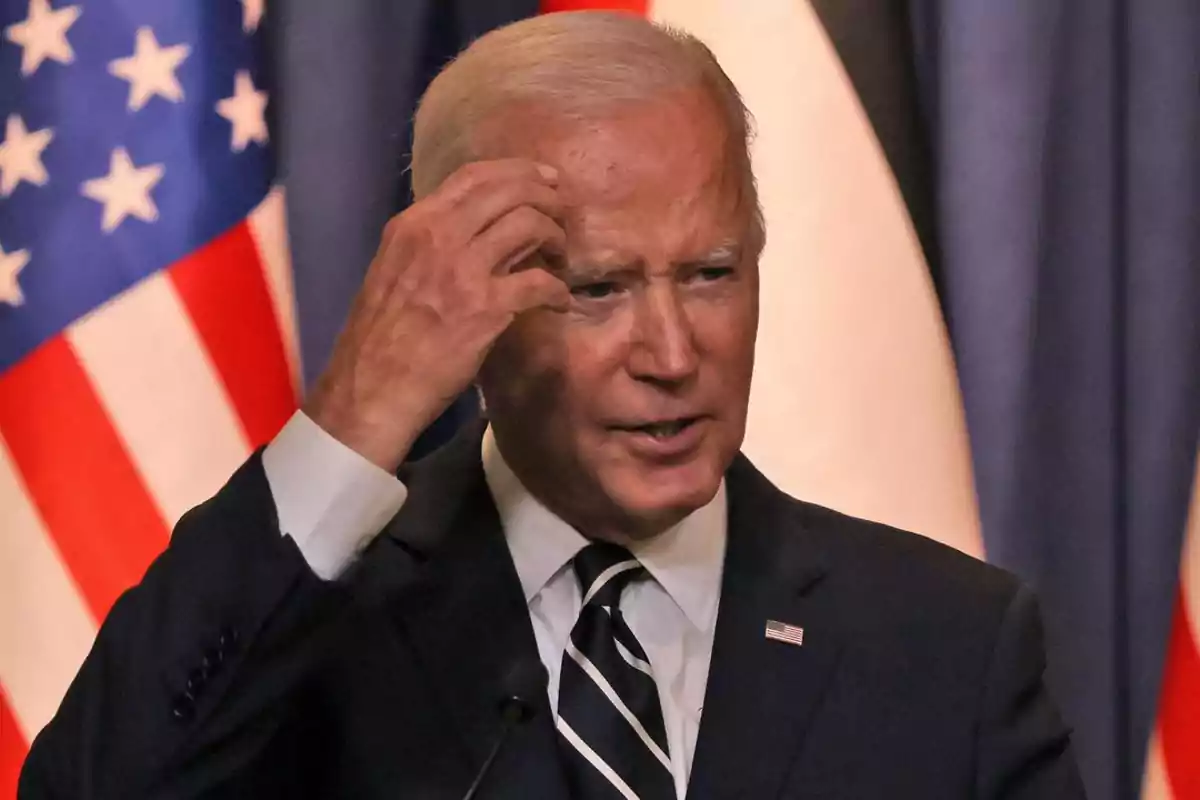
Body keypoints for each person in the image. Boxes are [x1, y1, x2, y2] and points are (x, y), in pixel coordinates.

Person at [19, 11, 1085, 800]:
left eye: (711, 272)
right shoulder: (321, 621)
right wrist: (349, 423)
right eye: (598, 287)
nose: (672, 353)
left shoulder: (947, 646)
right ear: (462, 299)